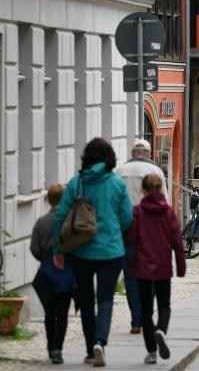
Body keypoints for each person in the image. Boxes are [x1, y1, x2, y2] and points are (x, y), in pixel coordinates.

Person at [53, 138, 132, 367]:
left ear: (86, 157)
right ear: (110, 158)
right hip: (111, 250)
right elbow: (127, 217)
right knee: (106, 298)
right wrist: (115, 231)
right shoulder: (117, 184)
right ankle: (100, 341)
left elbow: (61, 216)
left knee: (86, 300)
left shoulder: (76, 183)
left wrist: (58, 249)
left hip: (81, 250)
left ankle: (90, 349)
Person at [125, 172, 186, 364]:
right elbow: (177, 241)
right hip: (162, 266)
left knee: (145, 309)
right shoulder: (168, 212)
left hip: (143, 266)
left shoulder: (138, 211)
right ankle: (161, 330)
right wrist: (181, 266)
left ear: (143, 189)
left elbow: (131, 238)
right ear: (160, 188)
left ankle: (151, 351)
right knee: (164, 305)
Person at [115, 139, 169, 334]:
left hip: (127, 230)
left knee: (130, 277)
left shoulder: (119, 172)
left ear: (132, 152)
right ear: (148, 153)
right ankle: (147, 313)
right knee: (150, 274)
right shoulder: (155, 172)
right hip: (150, 230)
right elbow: (165, 203)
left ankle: (136, 320)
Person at [30, 184, 76, 364]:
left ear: (49, 200)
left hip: (47, 270)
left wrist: (44, 258)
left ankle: (50, 347)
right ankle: (58, 349)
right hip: (66, 269)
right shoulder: (70, 221)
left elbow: (34, 248)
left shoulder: (41, 222)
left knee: (49, 312)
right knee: (62, 313)